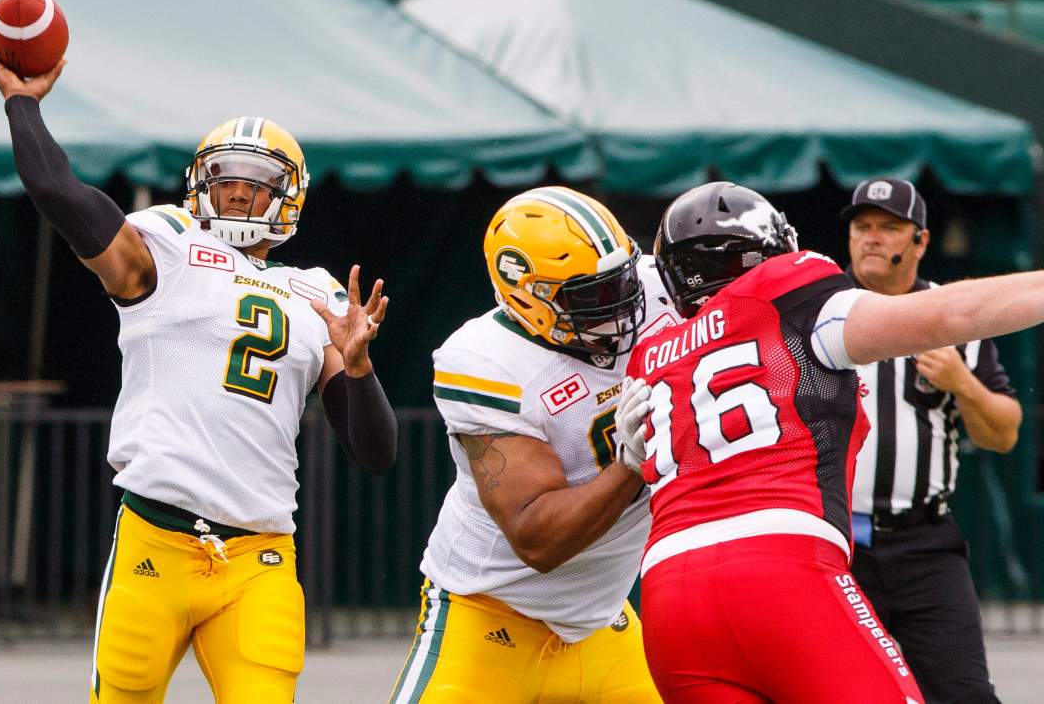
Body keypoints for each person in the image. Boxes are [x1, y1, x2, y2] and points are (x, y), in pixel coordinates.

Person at [0, 40, 398, 703]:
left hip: (259, 557)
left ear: (287, 198)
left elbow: (374, 453)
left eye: (254, 182)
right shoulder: (168, 244)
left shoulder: (316, 291)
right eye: (225, 178)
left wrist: (359, 366)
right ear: (199, 184)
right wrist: (22, 103)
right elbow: (58, 193)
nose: (235, 193)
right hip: (158, 535)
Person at [623, 181, 1044, 703]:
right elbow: (949, 316)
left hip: (669, 596)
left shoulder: (655, 354)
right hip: (780, 566)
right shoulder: (793, 294)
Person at [389, 187, 677, 703]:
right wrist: (631, 464)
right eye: (590, 296)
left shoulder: (657, 287)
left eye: (622, 282)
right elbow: (538, 538)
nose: (620, 306)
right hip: (488, 615)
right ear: (529, 297)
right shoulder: (486, 360)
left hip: (602, 620)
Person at [841, 178, 1019, 704]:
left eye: (888, 228)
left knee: (965, 693)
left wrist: (962, 382)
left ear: (919, 242)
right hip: (837, 543)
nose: (872, 238)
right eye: (862, 227)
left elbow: (1004, 433)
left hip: (924, 543)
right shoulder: (823, 310)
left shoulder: (951, 316)